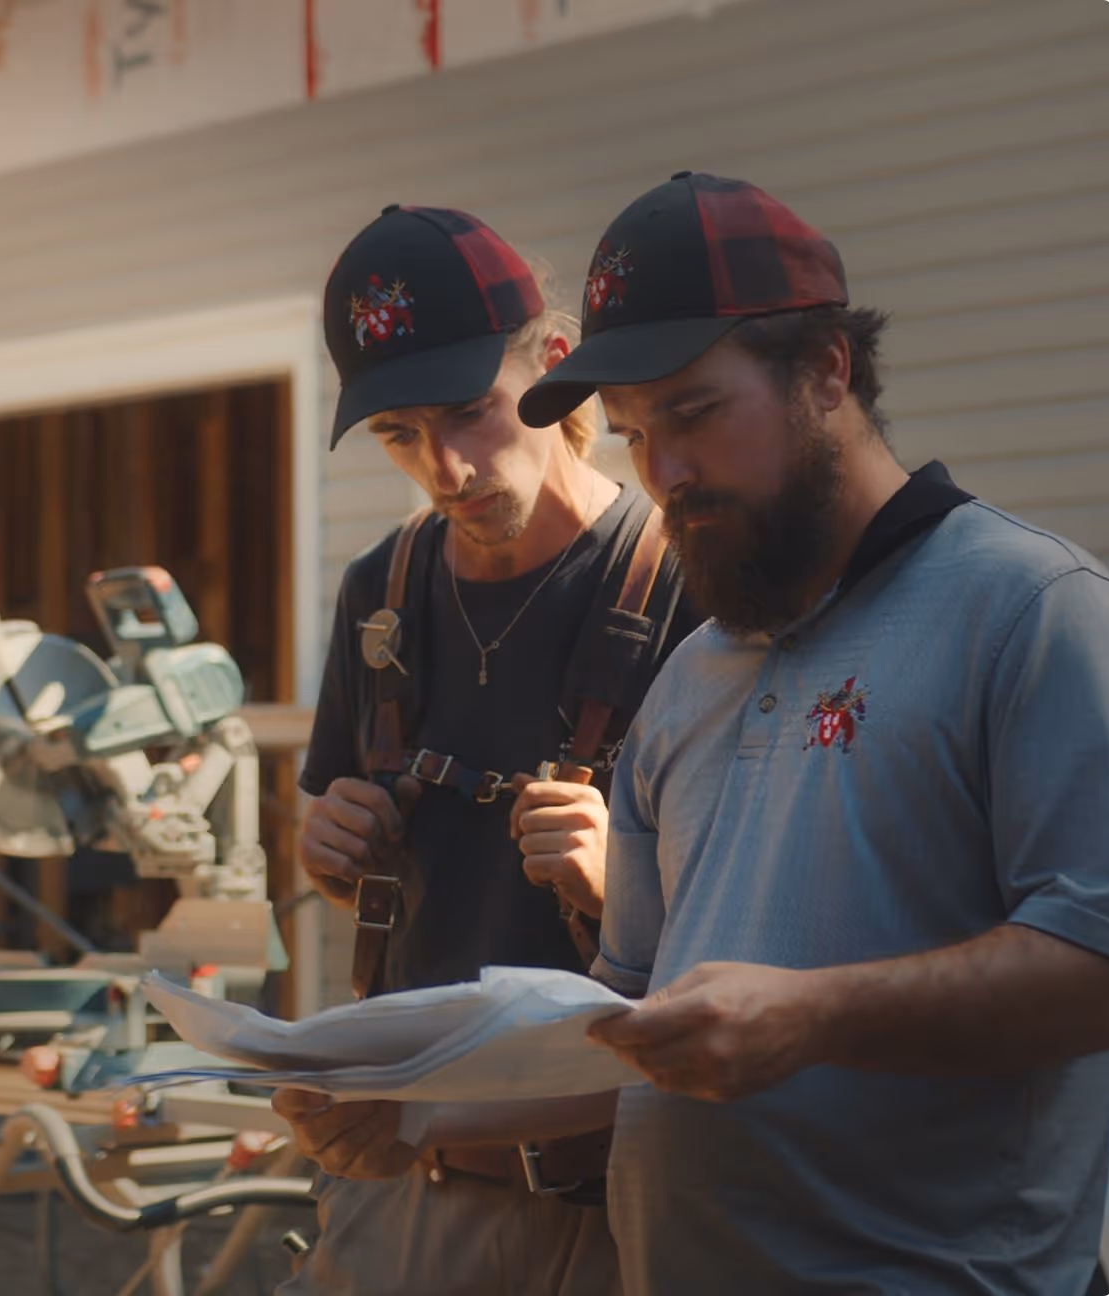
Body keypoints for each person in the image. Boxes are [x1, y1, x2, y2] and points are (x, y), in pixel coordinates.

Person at [513, 169, 1109, 1295]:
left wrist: (816, 1017)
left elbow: (1099, 962)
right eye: (635, 435)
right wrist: (411, 1117)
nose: (665, 474)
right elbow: (636, 1032)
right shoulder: (685, 679)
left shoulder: (1031, 611)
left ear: (827, 369)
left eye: (693, 412)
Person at [274, 202, 697, 1296]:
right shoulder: (383, 590)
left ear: (556, 367)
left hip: (623, 1198)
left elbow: (782, 930)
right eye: (398, 436)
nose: (446, 468)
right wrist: (323, 853)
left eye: (471, 413)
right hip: (409, 1196)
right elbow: (349, 880)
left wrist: (627, 884)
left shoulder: (687, 586)